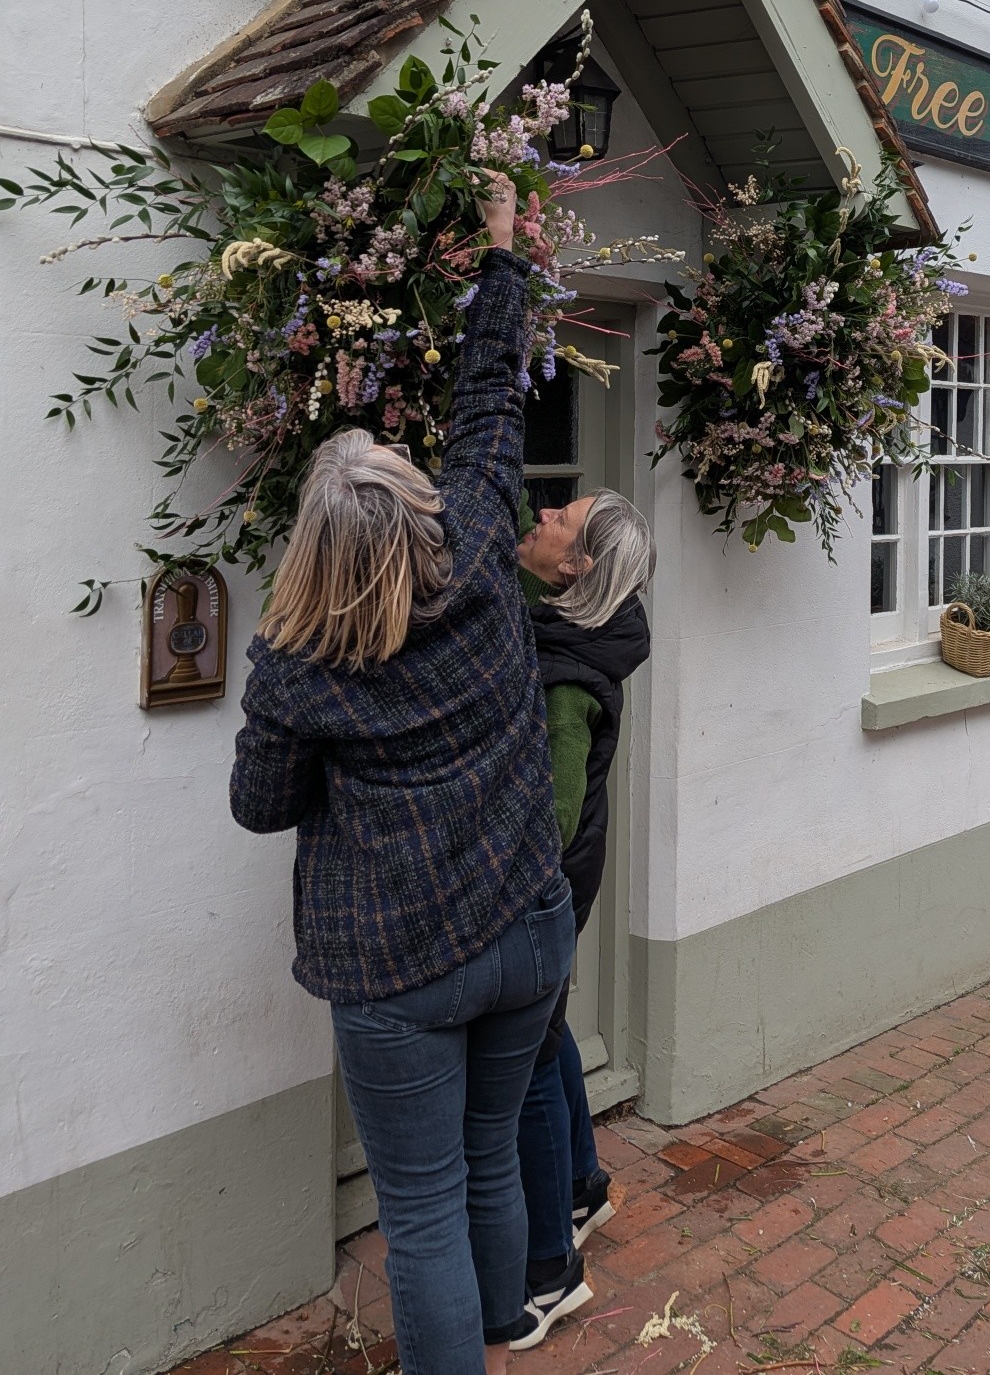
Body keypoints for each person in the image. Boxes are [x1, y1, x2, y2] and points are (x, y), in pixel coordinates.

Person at [229, 172, 574, 1375]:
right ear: (417, 511)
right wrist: (500, 250)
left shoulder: (297, 664)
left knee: (418, 1205)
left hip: (399, 965)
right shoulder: (479, 544)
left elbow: (260, 806)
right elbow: (491, 404)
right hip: (528, 928)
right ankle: (501, 1320)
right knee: (485, 1157)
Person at [507, 488, 655, 1348]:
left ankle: (551, 1274)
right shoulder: (578, 632)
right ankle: (584, 1187)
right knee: (553, 1025)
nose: (548, 510)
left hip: (548, 881)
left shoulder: (565, 674)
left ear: (578, 567)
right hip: (571, 872)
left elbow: (553, 817)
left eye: (564, 516)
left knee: (524, 1054)